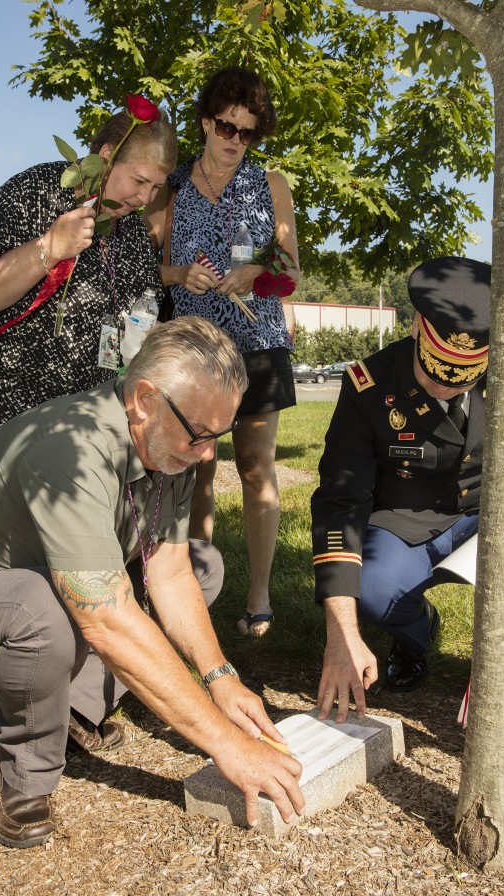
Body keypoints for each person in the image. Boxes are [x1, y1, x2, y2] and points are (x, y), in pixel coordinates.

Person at [0, 318, 305, 849]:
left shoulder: (171, 440)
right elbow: (105, 618)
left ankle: (72, 707)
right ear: (144, 398)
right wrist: (226, 744)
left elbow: (169, 571)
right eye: (201, 435)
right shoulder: (69, 448)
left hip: (56, 585)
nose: (210, 454)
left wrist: (221, 678)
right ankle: (23, 771)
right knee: (43, 612)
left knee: (205, 564)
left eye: (220, 435)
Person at [311, 257, 504, 718]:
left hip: (493, 512)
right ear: (420, 332)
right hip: (408, 520)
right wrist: (340, 634)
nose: (440, 390)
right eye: (432, 373)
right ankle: (416, 631)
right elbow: (340, 501)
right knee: (375, 591)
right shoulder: (369, 383)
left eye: (459, 380)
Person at [144, 67, 300, 637]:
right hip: (193, 352)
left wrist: (256, 270)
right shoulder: (171, 187)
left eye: (249, 132)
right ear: (207, 123)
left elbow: (291, 271)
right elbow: (144, 268)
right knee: (199, 468)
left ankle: (258, 595)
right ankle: (195, 588)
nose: (237, 140)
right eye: (228, 127)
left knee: (257, 466)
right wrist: (180, 273)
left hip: (257, 344)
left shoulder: (271, 184)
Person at [0, 99, 177, 479]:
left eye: (155, 187)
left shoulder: (134, 233)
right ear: (106, 156)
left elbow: (143, 316)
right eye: (139, 181)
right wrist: (49, 249)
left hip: (77, 426)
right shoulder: (35, 190)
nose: (145, 198)